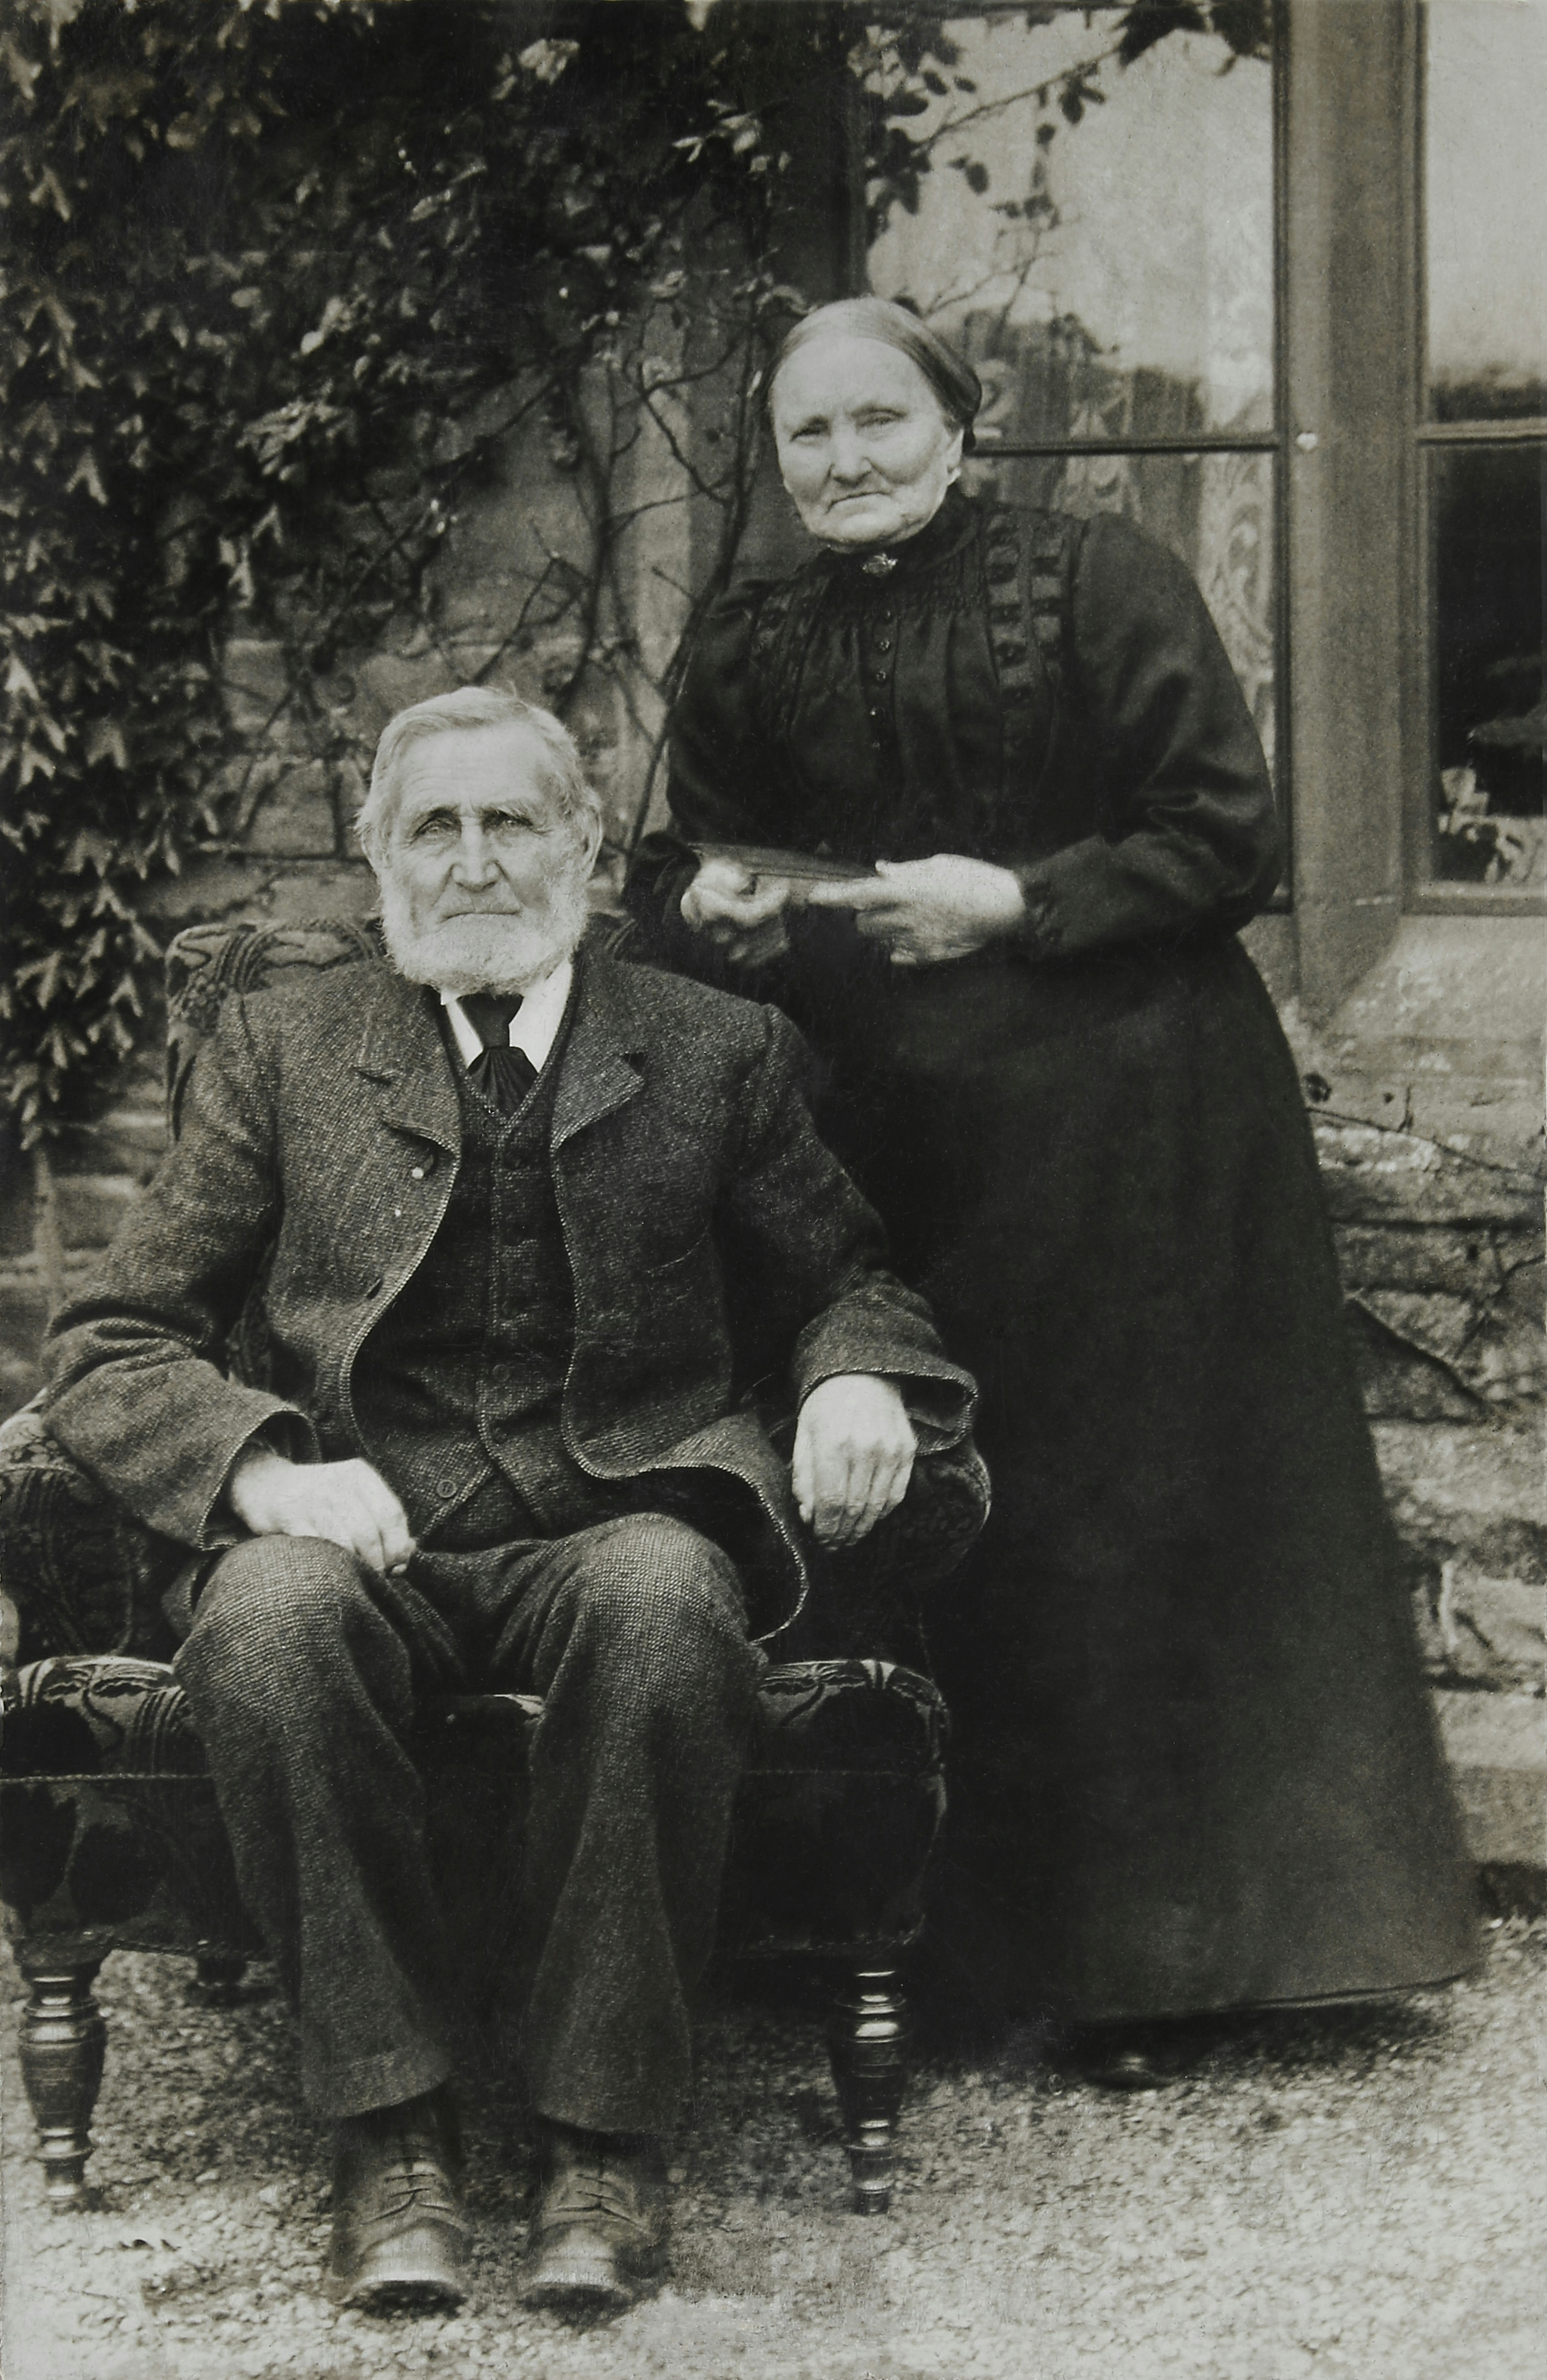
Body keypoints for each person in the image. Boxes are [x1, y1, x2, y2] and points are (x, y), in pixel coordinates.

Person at [43, 686, 979, 2315]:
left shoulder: (714, 1049)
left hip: (607, 1509)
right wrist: (263, 1467)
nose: (473, 861)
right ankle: (385, 2131)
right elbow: (115, 1333)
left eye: (509, 822)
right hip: (365, 1527)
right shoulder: (283, 1048)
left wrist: (849, 1376)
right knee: (263, 1618)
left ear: (583, 846)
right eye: (433, 826)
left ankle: (600, 2139)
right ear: (378, 857)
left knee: (668, 1595)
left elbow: (851, 1275)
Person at [627, 296, 1478, 2087]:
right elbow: (694, 851)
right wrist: (711, 906)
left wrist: (1010, 903)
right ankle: (913, 1942)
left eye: (880, 422)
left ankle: (1149, 1975)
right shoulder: (750, 635)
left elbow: (1225, 835)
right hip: (879, 1124)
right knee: (926, 1496)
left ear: (961, 425)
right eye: (809, 437)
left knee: (1113, 1513)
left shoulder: (1098, 584)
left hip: (1130, 1114)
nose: (845, 462)